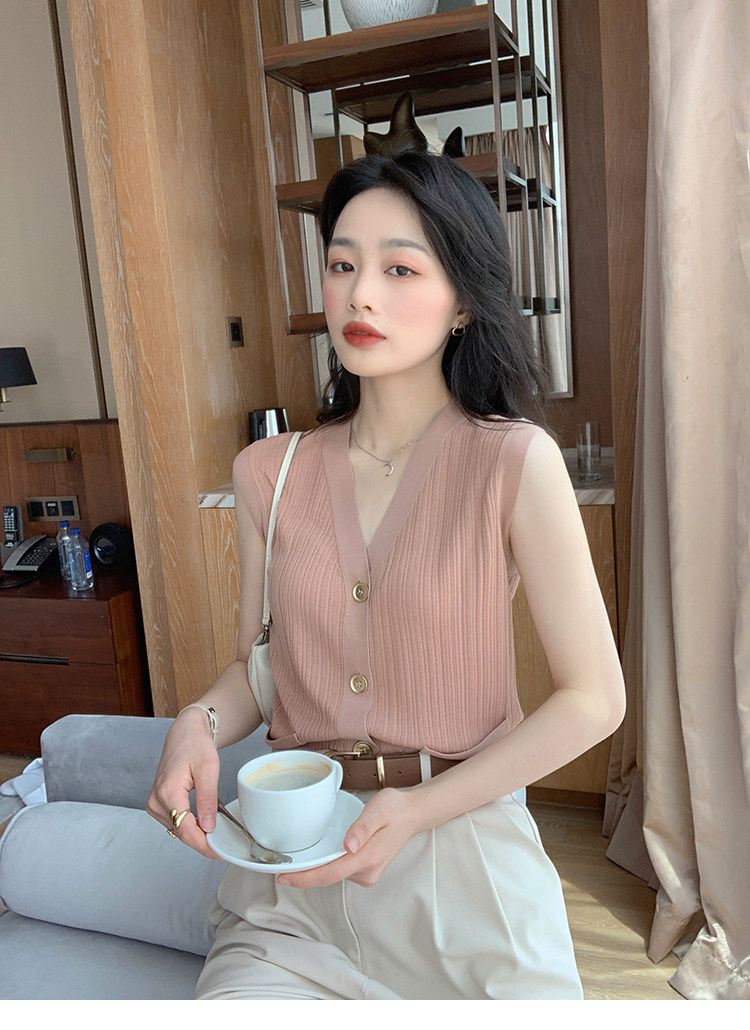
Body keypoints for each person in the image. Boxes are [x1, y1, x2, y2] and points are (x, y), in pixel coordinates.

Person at [147, 150, 626, 1000]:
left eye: (400, 269)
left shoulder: (514, 461)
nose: (360, 294)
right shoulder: (267, 473)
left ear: (464, 300)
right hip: (293, 890)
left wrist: (415, 811)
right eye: (343, 265)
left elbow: (595, 699)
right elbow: (260, 670)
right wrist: (196, 722)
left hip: (466, 873)